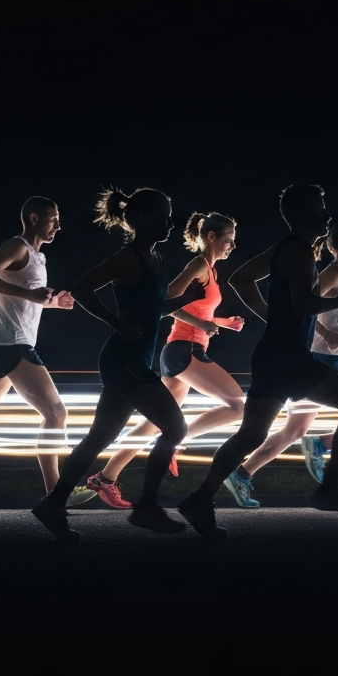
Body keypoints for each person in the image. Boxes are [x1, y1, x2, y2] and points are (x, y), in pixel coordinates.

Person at [177, 185, 338, 539]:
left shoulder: (283, 247)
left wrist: (271, 317)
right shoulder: (298, 250)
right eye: (320, 208)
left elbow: (241, 278)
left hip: (273, 353)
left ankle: (200, 498)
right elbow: (302, 305)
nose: (326, 215)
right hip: (290, 358)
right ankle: (328, 489)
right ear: (302, 215)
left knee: (251, 434)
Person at [30, 188, 208, 539]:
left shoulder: (153, 259)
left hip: (132, 357)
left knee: (99, 437)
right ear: (141, 220)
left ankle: (53, 505)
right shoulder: (129, 258)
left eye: (169, 215)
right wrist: (116, 323)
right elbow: (82, 288)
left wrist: (184, 299)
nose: (170, 223)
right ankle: (146, 508)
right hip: (125, 359)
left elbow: (152, 311)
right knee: (175, 428)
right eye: (162, 216)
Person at [227, 220, 338, 507]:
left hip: (329, 361)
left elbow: (336, 319)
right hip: (318, 360)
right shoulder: (333, 273)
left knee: (292, 431)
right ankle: (320, 455)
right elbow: (304, 308)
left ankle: (241, 474)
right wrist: (326, 333)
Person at [86, 212, 246, 508]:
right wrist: (202, 326)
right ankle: (178, 441)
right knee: (237, 406)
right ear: (211, 237)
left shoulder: (211, 271)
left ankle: (105, 478)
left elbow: (201, 313)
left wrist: (223, 322)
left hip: (183, 350)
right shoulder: (198, 265)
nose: (233, 246)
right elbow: (166, 301)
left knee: (153, 424)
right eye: (229, 240)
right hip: (184, 350)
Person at [0, 197, 87, 504]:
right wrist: (29, 293)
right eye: (53, 219)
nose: (59, 225)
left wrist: (53, 302)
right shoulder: (16, 247)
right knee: (56, 412)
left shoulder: (38, 257)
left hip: (2, 344)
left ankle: (54, 492)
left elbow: (26, 302)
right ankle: (56, 493)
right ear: (33, 219)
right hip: (12, 344)